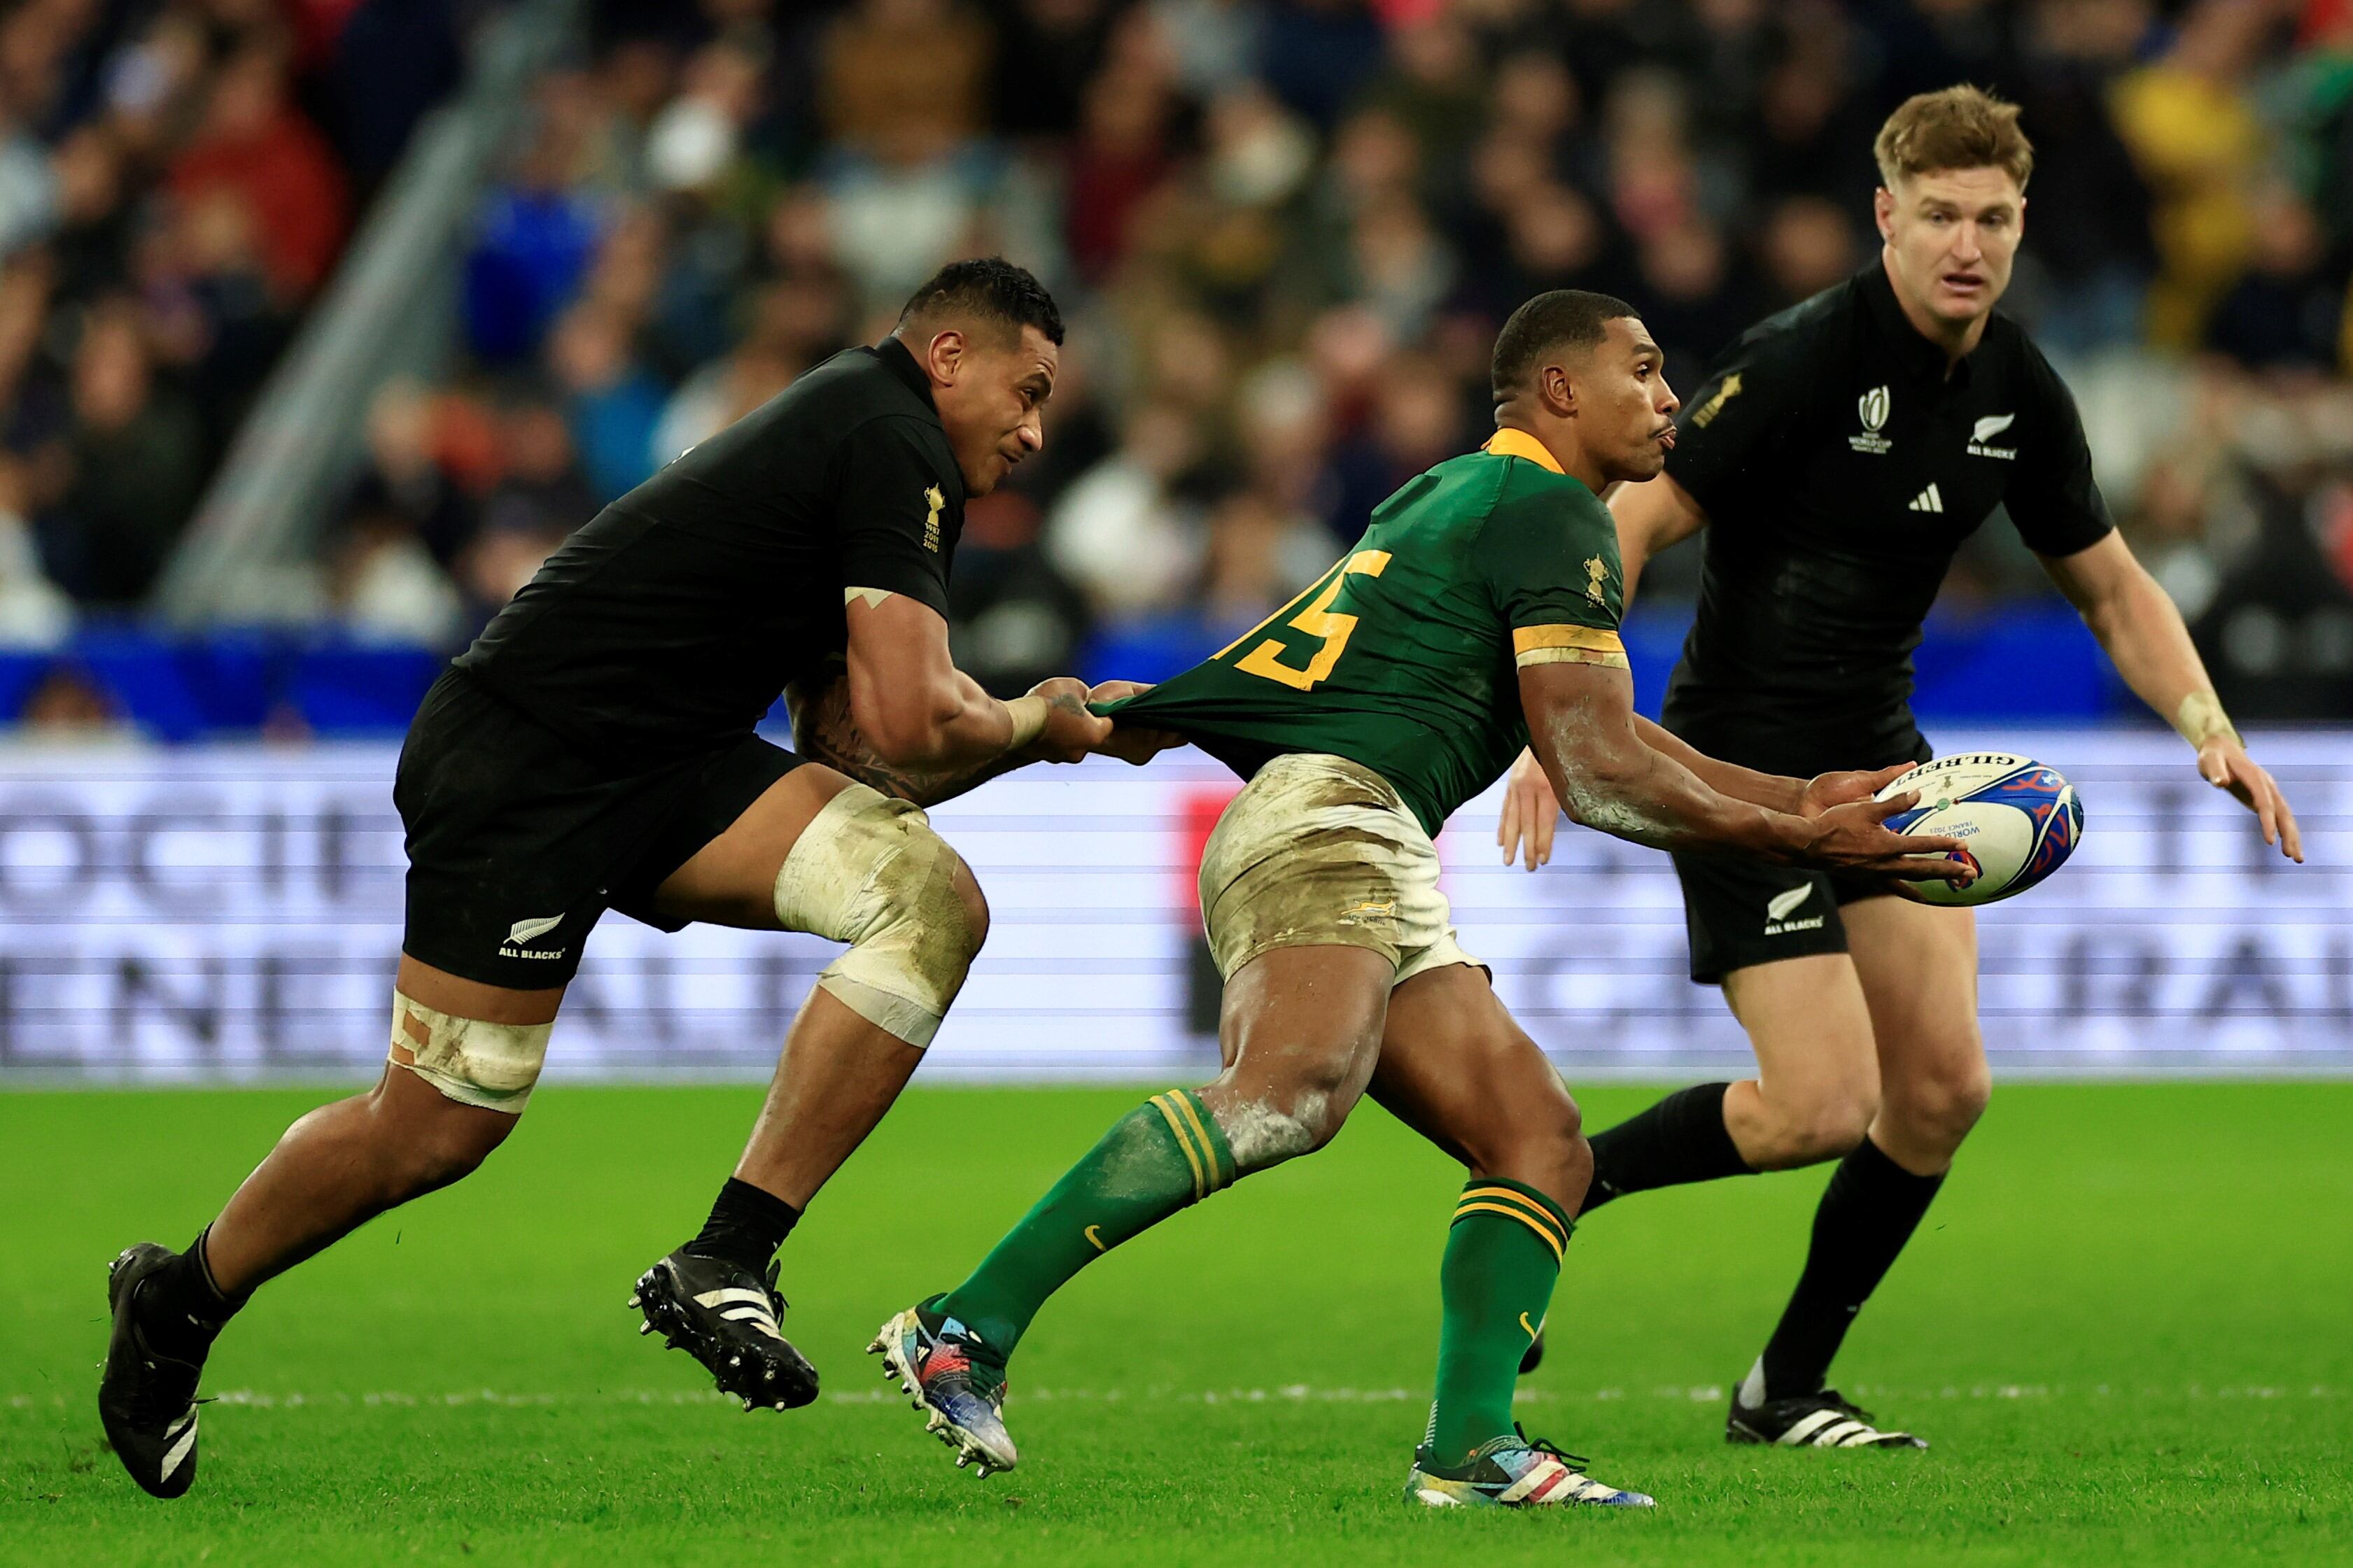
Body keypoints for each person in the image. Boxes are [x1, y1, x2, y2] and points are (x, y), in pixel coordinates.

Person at [869, 289, 1973, 1509]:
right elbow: (1600, 771)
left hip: (1360, 826)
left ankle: (1473, 1448)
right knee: (1288, 1092)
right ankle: (963, 1324)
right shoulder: (1556, 513)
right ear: (1558, 389)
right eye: (1646, 371)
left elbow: (1594, 737)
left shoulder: (1452, 494)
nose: (1669, 399)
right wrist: (1808, 830)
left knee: (1539, 1142)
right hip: (1332, 819)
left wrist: (1807, 799)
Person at [99, 258, 1123, 1499]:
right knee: (434, 1126)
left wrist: (1035, 739)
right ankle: (176, 1297)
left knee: (931, 900)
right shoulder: (888, 434)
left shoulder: (880, 453)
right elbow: (914, 718)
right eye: (1027, 390)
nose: (1031, 429)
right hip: (525, 759)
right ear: (949, 354)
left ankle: (728, 1254)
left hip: (671, 764)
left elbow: (858, 758)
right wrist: (1034, 719)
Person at [1495, 87, 2303, 1450]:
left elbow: (2108, 586)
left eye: (1991, 217)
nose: (1965, 243)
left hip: (1881, 763)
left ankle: (1783, 1387)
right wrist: (1558, 712)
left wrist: (2207, 726)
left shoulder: (2017, 392)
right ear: (1887, 217)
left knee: (1941, 1092)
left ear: (2021, 222)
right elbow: (1635, 517)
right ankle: (1556, 1177)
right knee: (1819, 1103)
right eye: (1937, 215)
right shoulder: (1805, 356)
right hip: (1742, 768)